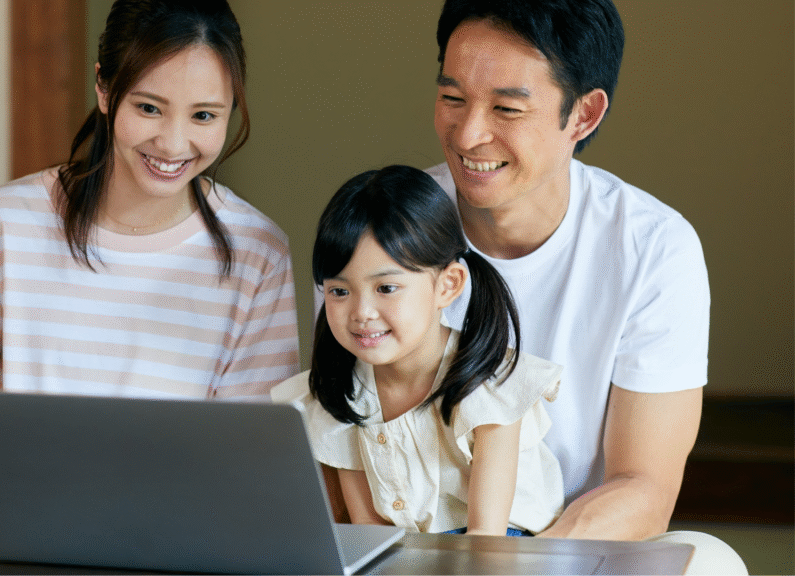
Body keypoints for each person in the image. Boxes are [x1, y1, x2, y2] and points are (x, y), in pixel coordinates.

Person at [0, 0, 300, 507]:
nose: (173, 143)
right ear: (104, 88)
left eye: (204, 115)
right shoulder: (3, 223)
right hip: (7, 525)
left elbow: (245, 458)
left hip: (166, 534)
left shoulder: (258, 252)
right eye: (148, 107)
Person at [428, 0, 745, 571]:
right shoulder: (388, 233)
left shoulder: (652, 248)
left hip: (572, 549)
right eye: (452, 98)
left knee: (711, 562)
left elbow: (643, 486)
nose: (469, 134)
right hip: (420, 542)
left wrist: (517, 564)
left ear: (584, 115)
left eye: (506, 108)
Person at [273, 165, 564, 536]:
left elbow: (486, 540)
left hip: (503, 549)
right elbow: (369, 535)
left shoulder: (491, 383)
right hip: (405, 554)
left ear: (448, 285)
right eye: (339, 291)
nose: (361, 313)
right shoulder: (338, 394)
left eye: (386, 288)